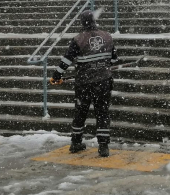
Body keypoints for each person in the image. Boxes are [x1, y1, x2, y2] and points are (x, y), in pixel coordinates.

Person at [50, 11, 119, 157]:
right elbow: (113, 60)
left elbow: (67, 60)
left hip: (84, 83)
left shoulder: (78, 39)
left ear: (82, 22)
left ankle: (76, 142)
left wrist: (57, 76)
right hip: (103, 81)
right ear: (95, 21)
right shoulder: (107, 37)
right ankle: (103, 146)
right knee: (102, 113)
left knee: (80, 112)